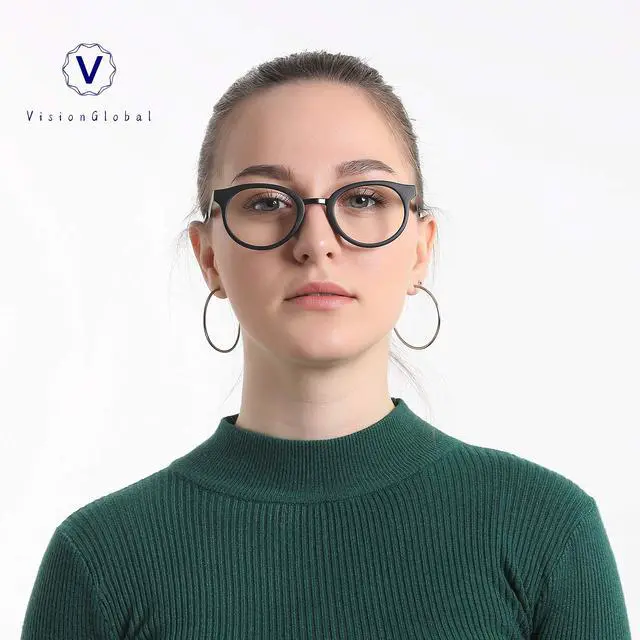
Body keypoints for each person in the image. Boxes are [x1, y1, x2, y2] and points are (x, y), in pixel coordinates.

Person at [21, 50, 631, 639]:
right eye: (267, 202)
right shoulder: (101, 559)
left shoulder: (546, 530)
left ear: (421, 248)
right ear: (208, 256)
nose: (316, 242)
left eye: (362, 198)